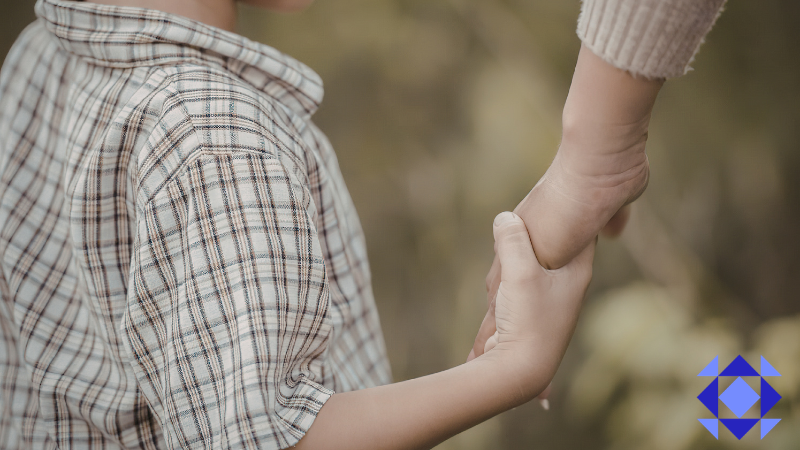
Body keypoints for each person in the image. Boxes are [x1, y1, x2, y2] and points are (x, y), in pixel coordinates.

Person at [0, 0, 726, 449]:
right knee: (752, 397)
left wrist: (595, 148)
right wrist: (516, 366)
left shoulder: (38, 57)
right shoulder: (217, 139)